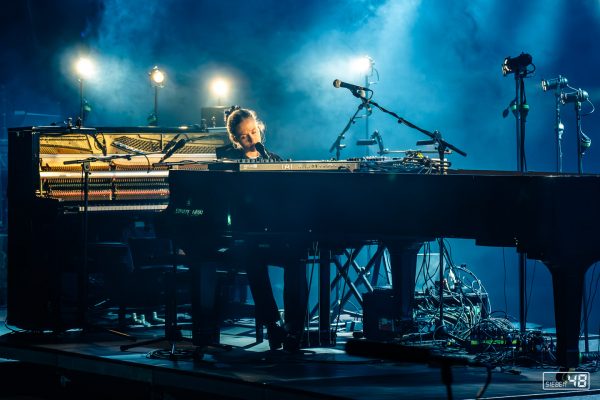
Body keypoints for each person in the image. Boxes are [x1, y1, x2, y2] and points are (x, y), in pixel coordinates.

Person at [219, 107, 308, 351]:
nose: (251, 138)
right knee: (253, 262)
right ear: (236, 139)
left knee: (297, 260)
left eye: (254, 132)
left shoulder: (275, 160)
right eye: (244, 135)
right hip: (246, 236)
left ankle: (293, 327)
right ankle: (272, 323)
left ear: (261, 129)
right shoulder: (230, 164)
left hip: (275, 233)